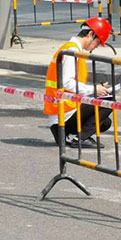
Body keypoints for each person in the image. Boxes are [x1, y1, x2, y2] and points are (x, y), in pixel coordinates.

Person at [43, 17, 113, 148]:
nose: (96, 47)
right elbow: (68, 83)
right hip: (64, 114)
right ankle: (79, 138)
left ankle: (73, 135)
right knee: (108, 101)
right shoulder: (72, 51)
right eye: (97, 43)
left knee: (105, 122)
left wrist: (97, 88)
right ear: (91, 34)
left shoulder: (69, 48)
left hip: (61, 113)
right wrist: (94, 90)